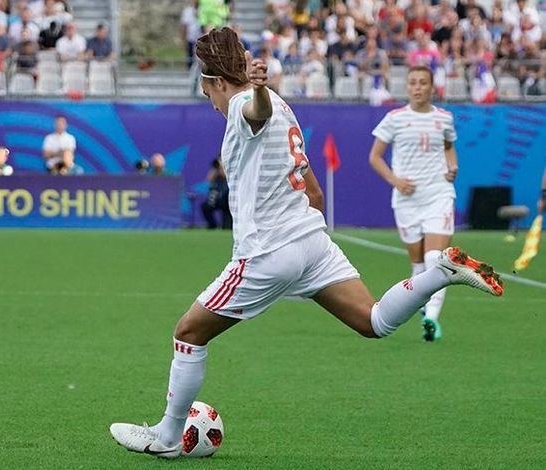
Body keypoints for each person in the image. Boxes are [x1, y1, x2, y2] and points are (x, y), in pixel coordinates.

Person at [108, 27, 503, 459]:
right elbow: (313, 192)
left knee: (188, 332)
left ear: (218, 82)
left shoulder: (248, 102)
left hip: (268, 251)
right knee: (373, 322)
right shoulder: (281, 103)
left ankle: (167, 436)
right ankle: (439, 272)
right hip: (310, 240)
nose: (211, 102)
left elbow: (250, 112)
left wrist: (254, 90)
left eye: (209, 93)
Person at [368, 65, 460, 342]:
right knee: (419, 264)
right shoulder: (394, 118)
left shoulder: (444, 118)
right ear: (407, 87)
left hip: (438, 194)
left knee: (436, 259)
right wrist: (395, 181)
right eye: (413, 83)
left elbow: (448, 147)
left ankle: (431, 318)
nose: (418, 87)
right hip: (407, 200)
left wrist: (452, 166)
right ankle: (421, 304)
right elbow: (374, 157)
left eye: (423, 82)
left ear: (432, 88)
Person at [201, 156, 231, 229]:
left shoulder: (229, 170)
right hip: (217, 199)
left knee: (227, 223)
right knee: (205, 206)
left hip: (227, 200)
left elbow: (226, 175)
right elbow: (208, 179)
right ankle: (212, 225)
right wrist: (215, 168)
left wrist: (222, 167)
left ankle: (226, 225)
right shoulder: (216, 175)